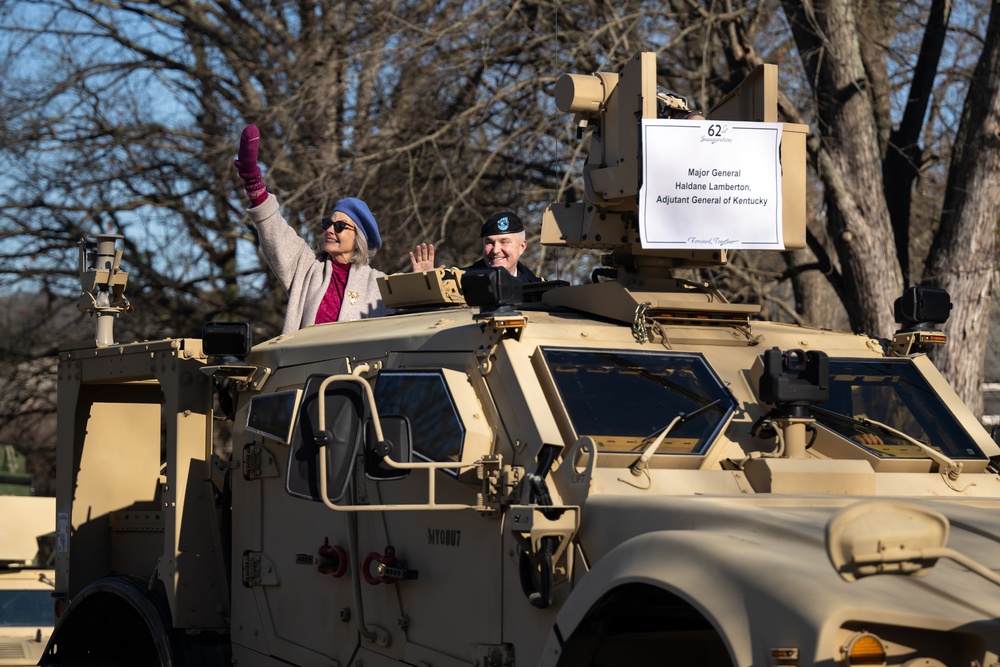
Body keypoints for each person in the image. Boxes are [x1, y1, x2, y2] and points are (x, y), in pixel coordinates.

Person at [235, 125, 391, 334]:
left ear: (359, 239)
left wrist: (424, 288)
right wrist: (252, 180)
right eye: (328, 223)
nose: (329, 230)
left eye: (340, 226)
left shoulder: (380, 284)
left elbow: (418, 324)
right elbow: (274, 228)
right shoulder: (308, 268)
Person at [410, 210, 541, 283]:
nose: (495, 250)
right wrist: (426, 283)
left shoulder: (539, 288)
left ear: (522, 246)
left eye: (504, 242)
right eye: (489, 242)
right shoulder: (458, 280)